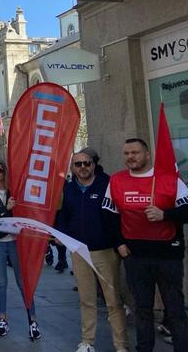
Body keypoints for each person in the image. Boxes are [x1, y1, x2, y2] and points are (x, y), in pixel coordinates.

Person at [103, 138, 188, 352]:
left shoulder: (170, 180)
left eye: (135, 152)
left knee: (175, 311)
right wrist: (119, 244)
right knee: (142, 310)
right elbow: (108, 216)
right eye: (127, 153)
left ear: (147, 155)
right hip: (135, 256)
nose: (131, 157)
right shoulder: (117, 180)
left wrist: (165, 214)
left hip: (168, 257)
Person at [56, 150, 129, 352]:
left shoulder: (107, 184)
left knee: (114, 301)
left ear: (93, 164)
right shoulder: (69, 189)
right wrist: (62, 236)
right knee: (86, 300)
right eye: (78, 164)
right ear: (72, 167)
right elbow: (63, 216)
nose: (82, 168)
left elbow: (117, 216)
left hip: (105, 251)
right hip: (79, 251)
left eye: (86, 163)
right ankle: (87, 342)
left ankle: (121, 345)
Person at [0, 159, 40, 340]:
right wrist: (5, 210)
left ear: (6, 172)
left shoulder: (15, 191)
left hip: (16, 240)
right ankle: (2, 319)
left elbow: (26, 212)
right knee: (1, 282)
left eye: (0, 170)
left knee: (23, 282)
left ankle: (33, 320)